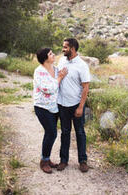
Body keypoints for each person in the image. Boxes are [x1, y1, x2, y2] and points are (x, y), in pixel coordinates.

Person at [57, 38, 91, 172]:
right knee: (65, 133)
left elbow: (86, 87)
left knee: (80, 133)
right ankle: (63, 160)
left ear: (72, 48)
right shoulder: (61, 61)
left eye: (65, 47)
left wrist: (81, 107)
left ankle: (83, 161)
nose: (63, 49)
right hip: (62, 104)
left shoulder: (82, 65)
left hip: (76, 105)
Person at [33, 48, 68, 173]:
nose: (53, 55)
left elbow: (64, 76)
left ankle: (47, 159)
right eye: (50, 53)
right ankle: (44, 161)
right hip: (42, 107)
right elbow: (47, 89)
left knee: (50, 133)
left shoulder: (56, 69)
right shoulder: (39, 71)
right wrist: (59, 79)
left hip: (54, 107)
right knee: (52, 132)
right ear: (45, 58)